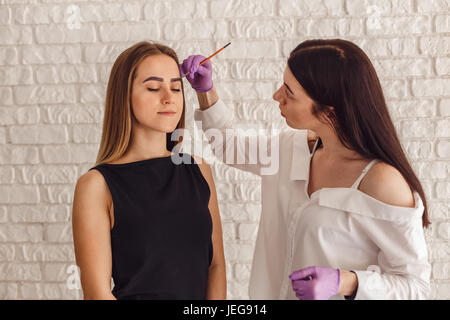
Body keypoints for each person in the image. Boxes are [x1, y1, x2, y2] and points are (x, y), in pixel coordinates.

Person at [180, 39, 431, 300]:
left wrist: (346, 282)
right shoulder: (292, 149)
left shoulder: (381, 182)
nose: (277, 96)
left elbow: (416, 287)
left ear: (330, 112)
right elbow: (230, 147)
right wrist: (205, 91)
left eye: (289, 92)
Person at [71, 41, 226, 300]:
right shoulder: (96, 186)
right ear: (124, 96)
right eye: (153, 87)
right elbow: (97, 293)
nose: (168, 97)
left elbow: (216, 265)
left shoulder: (198, 170)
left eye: (176, 88)